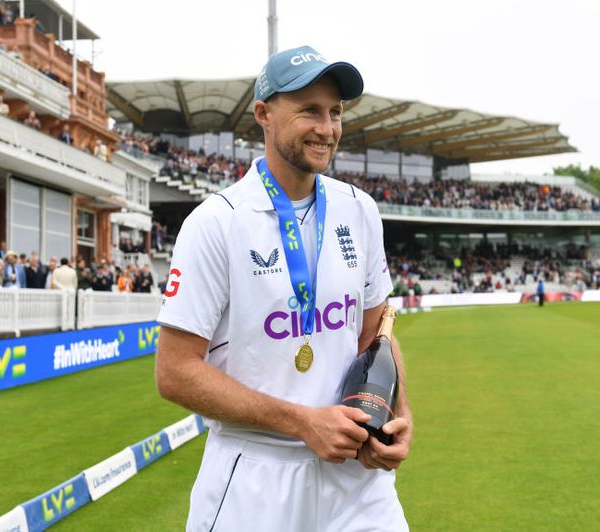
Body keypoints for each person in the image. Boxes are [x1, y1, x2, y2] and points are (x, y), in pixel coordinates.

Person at [155, 46, 410, 531]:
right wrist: (302, 422)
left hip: (356, 479)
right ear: (264, 114)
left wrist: (401, 414)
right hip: (255, 477)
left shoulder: (360, 210)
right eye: (309, 110)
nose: (327, 127)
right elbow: (174, 371)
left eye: (334, 112)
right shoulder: (216, 223)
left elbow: (376, 332)